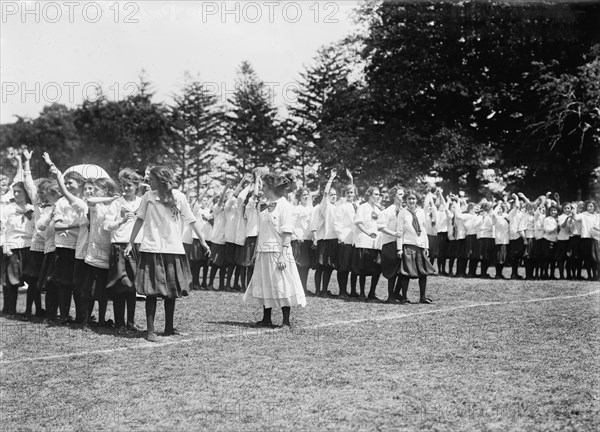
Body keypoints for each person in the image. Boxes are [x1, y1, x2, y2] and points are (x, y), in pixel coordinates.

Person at [125, 166, 210, 342]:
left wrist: (202, 240)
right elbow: (139, 219)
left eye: (152, 179)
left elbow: (191, 219)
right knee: (151, 291)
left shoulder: (179, 197)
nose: (148, 181)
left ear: (161, 180)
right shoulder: (148, 197)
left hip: (173, 249)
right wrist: (130, 242)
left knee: (171, 290)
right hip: (152, 248)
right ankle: (150, 331)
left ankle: (169, 328)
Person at [242, 172, 306, 327]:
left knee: (282, 283)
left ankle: (285, 320)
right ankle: (266, 318)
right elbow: (261, 230)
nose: (262, 188)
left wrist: (284, 255)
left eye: (264, 185)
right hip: (264, 250)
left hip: (278, 252)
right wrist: (257, 251)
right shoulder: (263, 204)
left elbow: (287, 231)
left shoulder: (284, 205)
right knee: (265, 282)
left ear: (271, 187)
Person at [104, 168, 143, 333]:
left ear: (136, 185)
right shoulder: (116, 203)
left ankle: (131, 322)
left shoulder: (142, 202)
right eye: (123, 185)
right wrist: (120, 221)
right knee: (121, 284)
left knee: (133, 285)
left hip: (137, 246)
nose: (126, 188)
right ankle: (119, 322)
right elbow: (106, 226)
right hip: (119, 245)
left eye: (129, 185)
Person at [1, 153, 35, 317]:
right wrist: (5, 245)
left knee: (30, 278)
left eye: (19, 192)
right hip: (13, 246)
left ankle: (30, 311)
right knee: (11, 279)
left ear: (25, 193)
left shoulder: (33, 208)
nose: (16, 194)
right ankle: (9, 310)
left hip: (29, 246)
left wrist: (24, 161)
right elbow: (2, 228)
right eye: (14, 192)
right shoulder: (7, 208)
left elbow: (27, 182)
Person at [396, 190, 436, 304]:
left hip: (420, 245)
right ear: (406, 201)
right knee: (406, 272)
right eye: (409, 199)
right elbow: (399, 231)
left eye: (413, 199)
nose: (411, 201)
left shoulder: (421, 212)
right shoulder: (403, 213)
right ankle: (404, 297)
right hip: (408, 245)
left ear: (416, 200)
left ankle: (422, 297)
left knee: (423, 272)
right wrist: (399, 248)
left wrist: (426, 246)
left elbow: (423, 229)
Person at [310, 169, 339, 296]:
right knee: (321, 266)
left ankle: (324, 290)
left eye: (335, 195)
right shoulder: (325, 205)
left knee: (329, 266)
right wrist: (331, 178)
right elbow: (326, 193)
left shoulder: (337, 207)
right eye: (331, 194)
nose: (333, 196)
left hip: (333, 239)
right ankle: (317, 290)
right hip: (324, 239)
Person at [353, 186, 383, 301]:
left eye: (378, 194)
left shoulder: (378, 210)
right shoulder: (362, 207)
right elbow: (358, 223)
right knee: (363, 269)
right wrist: (368, 233)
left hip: (375, 244)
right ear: (369, 195)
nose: (377, 197)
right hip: (364, 242)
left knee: (377, 268)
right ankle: (362, 293)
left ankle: (372, 293)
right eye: (375, 194)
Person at [378, 186, 404, 303]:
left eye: (403, 194)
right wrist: (395, 233)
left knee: (402, 270)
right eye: (400, 194)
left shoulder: (404, 210)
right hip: (389, 244)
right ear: (394, 196)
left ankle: (397, 293)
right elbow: (381, 227)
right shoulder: (388, 211)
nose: (402, 197)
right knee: (392, 271)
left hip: (401, 243)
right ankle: (390, 296)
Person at [335, 182, 358, 297]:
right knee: (343, 267)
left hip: (356, 241)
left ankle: (353, 291)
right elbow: (337, 223)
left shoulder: (358, 206)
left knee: (354, 267)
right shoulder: (342, 207)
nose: (350, 194)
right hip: (345, 240)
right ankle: (342, 291)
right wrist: (341, 237)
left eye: (352, 192)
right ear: (345, 193)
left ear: (355, 194)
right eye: (348, 192)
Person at [291, 187, 314, 294]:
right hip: (299, 240)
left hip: (308, 239)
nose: (305, 197)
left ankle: (303, 288)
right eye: (303, 195)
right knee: (299, 265)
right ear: (299, 197)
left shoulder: (311, 208)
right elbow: (292, 224)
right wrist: (297, 235)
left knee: (306, 265)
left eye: (307, 195)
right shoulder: (297, 209)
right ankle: (297, 288)